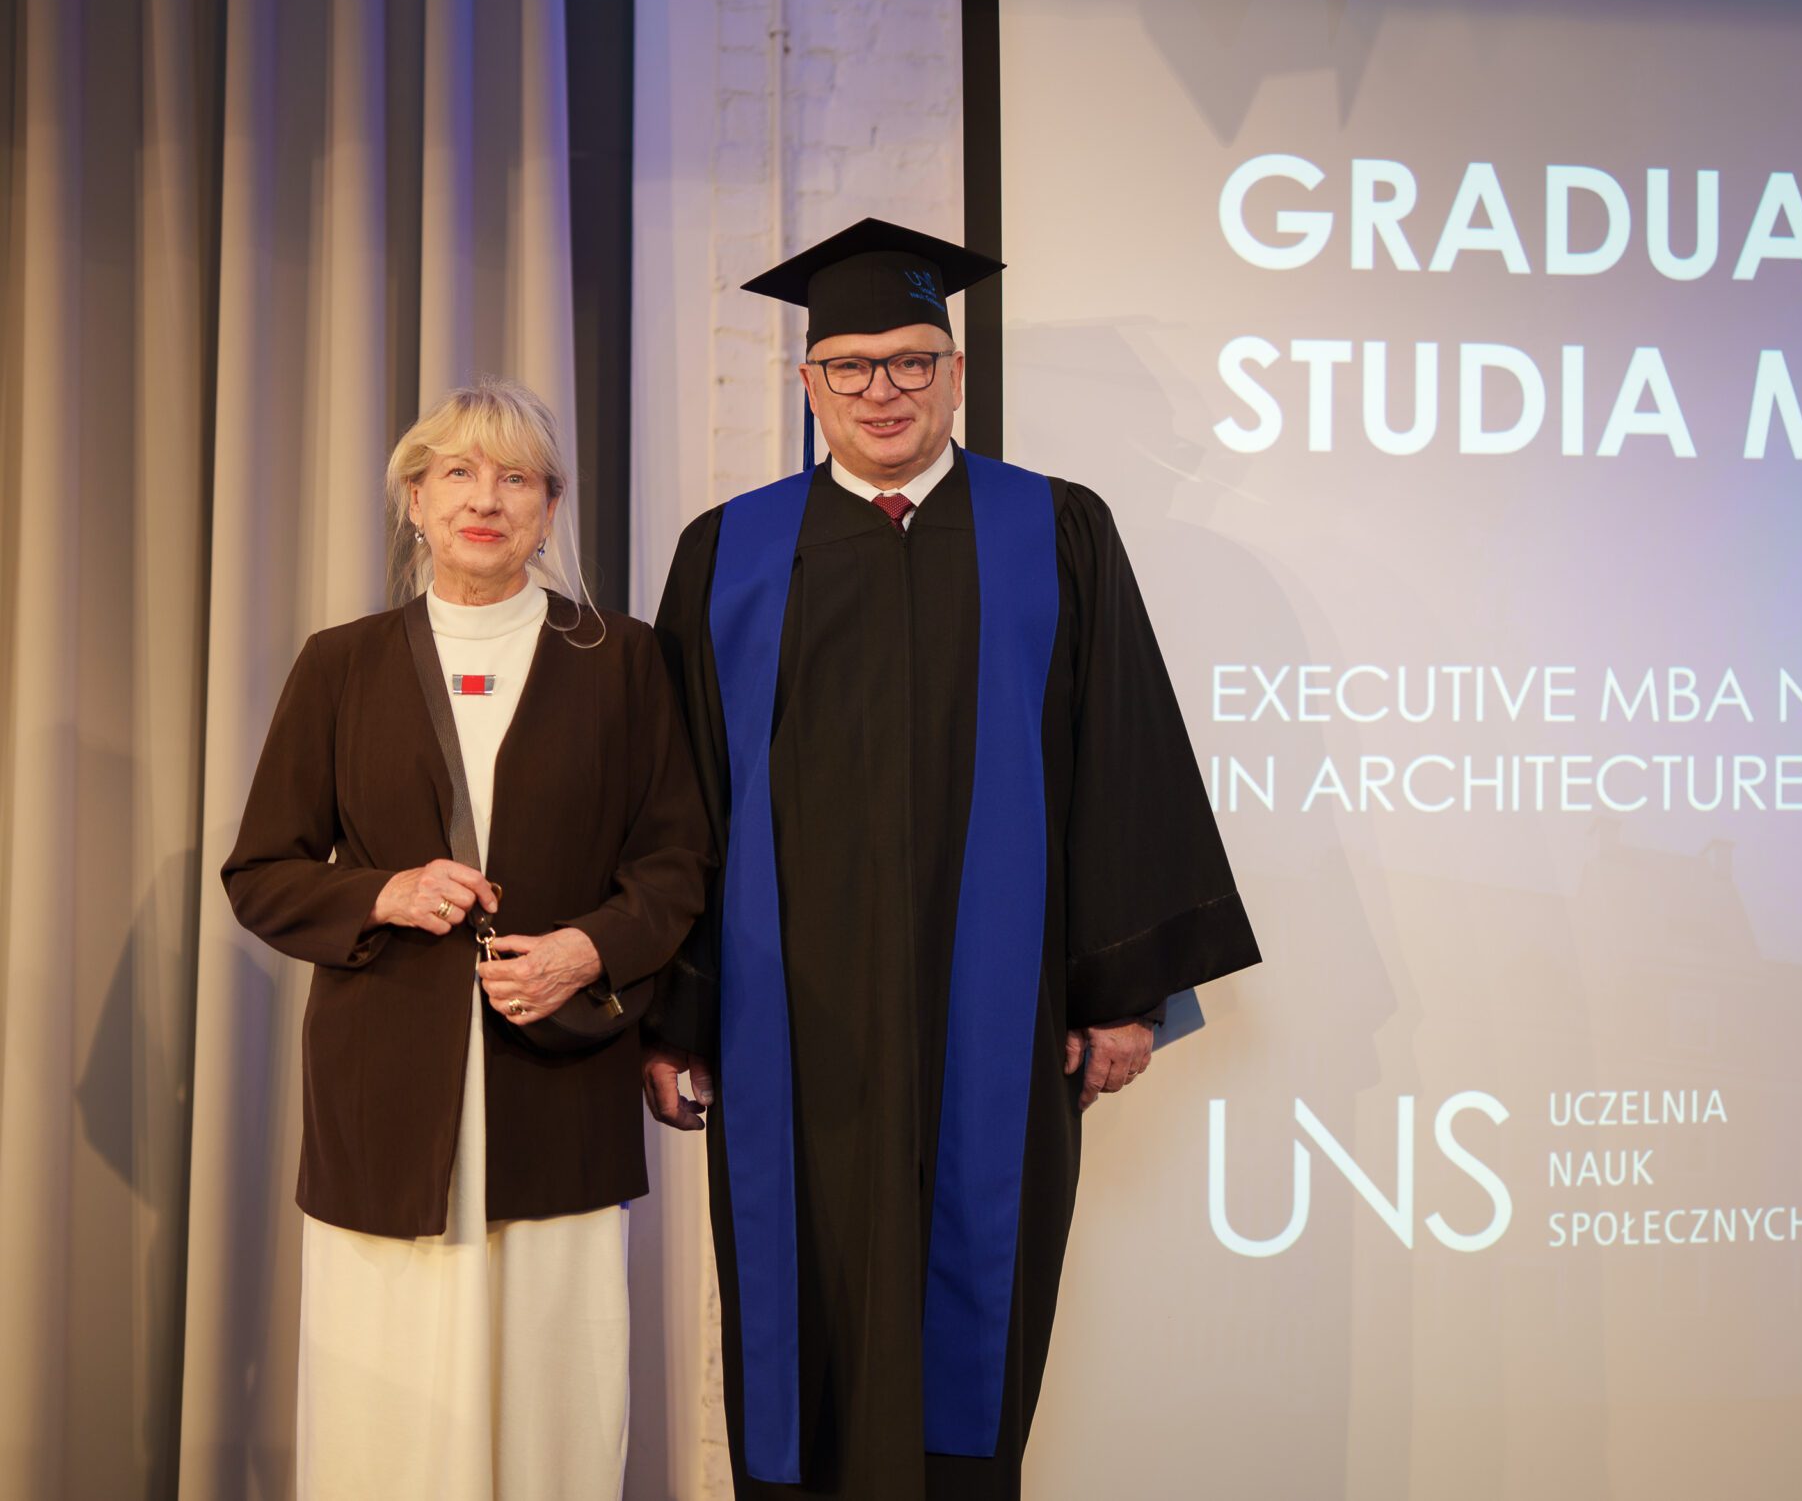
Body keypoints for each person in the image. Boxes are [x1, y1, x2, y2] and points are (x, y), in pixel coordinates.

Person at [644, 218, 1261, 1499]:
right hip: (785, 1021)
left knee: (977, 1330)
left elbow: (1122, 754)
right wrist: (676, 1015)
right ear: (809, 382)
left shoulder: (1056, 530)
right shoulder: (729, 550)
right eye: (852, 365)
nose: (884, 390)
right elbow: (679, 798)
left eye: (913, 361)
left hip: (1000, 1012)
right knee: (797, 1317)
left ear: (956, 374)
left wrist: (1122, 994)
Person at [224, 381, 713, 1501]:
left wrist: (587, 950)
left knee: (553, 1404)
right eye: (456, 473)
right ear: (415, 500)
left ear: (550, 509)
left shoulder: (622, 660)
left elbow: (677, 861)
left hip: (562, 1081)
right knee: (387, 1412)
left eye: (515, 478)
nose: (484, 500)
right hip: (385, 1095)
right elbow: (261, 873)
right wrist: (382, 893)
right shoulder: (340, 663)